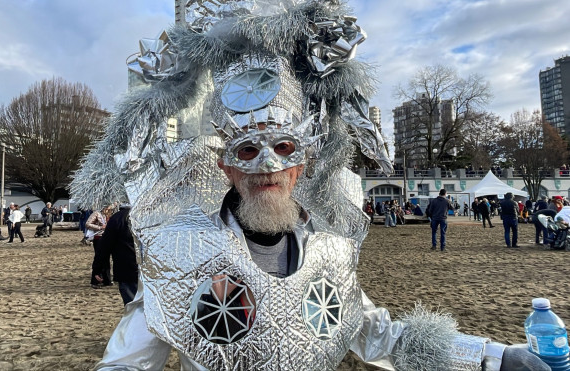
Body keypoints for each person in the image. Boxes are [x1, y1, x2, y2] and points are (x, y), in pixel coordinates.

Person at [77, 3, 546, 369]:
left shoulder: (331, 252)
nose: (267, 166)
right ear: (226, 169)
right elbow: (125, 365)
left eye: (283, 147)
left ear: (303, 165)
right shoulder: (179, 252)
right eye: (246, 151)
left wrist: (495, 358)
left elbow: (382, 338)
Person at [93, 204, 139, 305]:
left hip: (126, 268)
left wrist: (97, 267)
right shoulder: (146, 215)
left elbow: (105, 246)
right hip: (148, 268)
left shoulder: (117, 218)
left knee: (131, 306)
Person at [86, 205, 113, 289]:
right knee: (99, 259)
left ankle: (106, 279)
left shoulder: (109, 214)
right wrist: (100, 227)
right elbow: (87, 224)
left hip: (107, 238)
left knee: (106, 259)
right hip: (99, 238)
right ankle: (95, 281)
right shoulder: (96, 213)